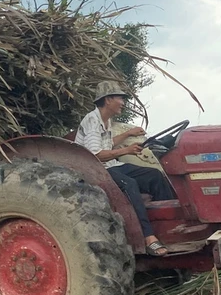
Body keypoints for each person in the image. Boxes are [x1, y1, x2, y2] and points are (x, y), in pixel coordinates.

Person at [74, 81, 176, 256]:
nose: (123, 102)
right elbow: (95, 155)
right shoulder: (92, 120)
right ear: (108, 100)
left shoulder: (105, 121)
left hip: (111, 165)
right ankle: (148, 237)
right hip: (96, 170)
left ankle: (169, 228)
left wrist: (128, 135)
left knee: (154, 175)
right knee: (129, 184)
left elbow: (107, 143)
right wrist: (127, 150)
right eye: (120, 98)